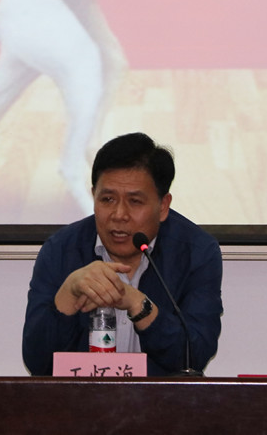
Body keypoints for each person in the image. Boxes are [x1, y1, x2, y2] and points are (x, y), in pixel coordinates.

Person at [22, 132, 223, 376]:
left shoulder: (196, 252)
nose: (119, 215)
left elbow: (195, 356)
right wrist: (68, 294)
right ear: (94, 196)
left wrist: (137, 303)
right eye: (107, 199)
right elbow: (38, 363)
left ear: (163, 206)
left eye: (135, 201)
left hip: (160, 400)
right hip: (81, 398)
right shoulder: (61, 250)